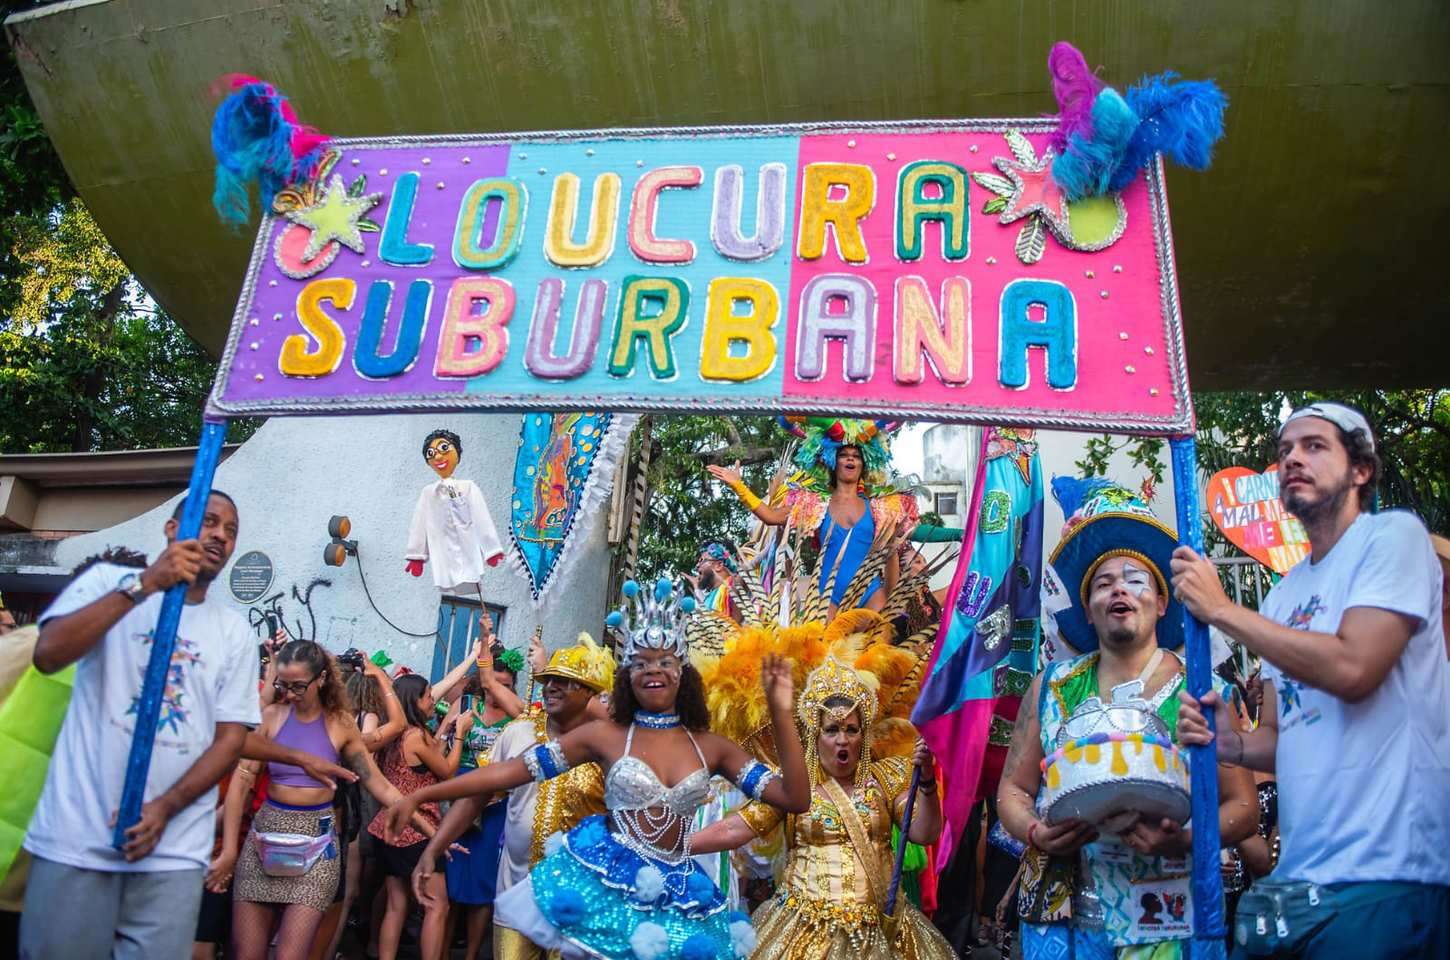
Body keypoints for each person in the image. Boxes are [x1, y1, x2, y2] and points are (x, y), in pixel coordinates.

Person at [386, 578, 812, 960]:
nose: (653, 671)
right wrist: (422, 795)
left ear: (683, 674)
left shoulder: (712, 748)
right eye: (641, 663)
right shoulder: (607, 737)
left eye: (665, 661)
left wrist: (781, 712)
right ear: (627, 676)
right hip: (609, 886)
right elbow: (509, 772)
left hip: (679, 895)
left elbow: (794, 798)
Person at [1173, 402, 1450, 957]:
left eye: (1314, 445)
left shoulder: (1393, 539)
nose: (1292, 458)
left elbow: (1354, 669)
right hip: (1300, 880)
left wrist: (1222, 609)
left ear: (1361, 469)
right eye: (1284, 452)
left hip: (1388, 871)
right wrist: (1233, 744)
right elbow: (1283, 733)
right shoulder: (1282, 594)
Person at [997, 479, 1256, 959]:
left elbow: (1243, 807)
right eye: (1103, 582)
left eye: (1136, 579)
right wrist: (1036, 831)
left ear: (1161, 604)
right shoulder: (1051, 687)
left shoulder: (1204, 693)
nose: (1119, 587)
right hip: (1063, 925)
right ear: (1089, 612)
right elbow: (1013, 791)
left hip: (1168, 922)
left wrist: (1182, 838)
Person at [18, 491, 259, 960]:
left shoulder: (234, 631)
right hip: (77, 835)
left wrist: (166, 807)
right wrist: (145, 585)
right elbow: (48, 655)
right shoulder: (109, 582)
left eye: (230, 531)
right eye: (208, 522)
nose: (219, 536)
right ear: (172, 529)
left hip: (173, 849)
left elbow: (232, 739)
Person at [693, 656, 957, 960]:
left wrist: (925, 782)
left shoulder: (886, 778)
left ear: (863, 735)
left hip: (883, 932)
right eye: (832, 729)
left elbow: (925, 832)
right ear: (816, 736)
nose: (842, 740)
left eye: (852, 730)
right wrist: (673, 846)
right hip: (804, 933)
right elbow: (733, 829)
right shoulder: (793, 788)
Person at [220, 640, 429, 960]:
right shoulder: (271, 717)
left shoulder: (341, 724)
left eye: (299, 686)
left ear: (321, 679)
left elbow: (380, 786)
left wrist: (432, 832)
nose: (289, 693)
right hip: (265, 839)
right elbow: (242, 782)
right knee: (246, 954)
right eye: (282, 684)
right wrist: (230, 851)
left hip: (316, 846)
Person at [415, 633, 612, 960]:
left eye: (564, 682)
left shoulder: (608, 746)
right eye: (548, 680)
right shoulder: (519, 731)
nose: (550, 687)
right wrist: (433, 847)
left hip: (580, 903)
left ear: (592, 693)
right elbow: (476, 795)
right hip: (517, 895)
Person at [709, 418, 926, 616]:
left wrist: (891, 603)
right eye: (843, 455)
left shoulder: (882, 507)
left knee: (876, 655)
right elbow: (771, 517)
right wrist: (739, 486)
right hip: (827, 597)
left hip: (871, 596)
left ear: (864, 463)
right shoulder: (812, 504)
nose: (850, 458)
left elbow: (891, 555)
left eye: (856, 456)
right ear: (832, 460)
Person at [368, 670, 470, 960]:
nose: (431, 700)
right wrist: (460, 733)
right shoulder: (415, 736)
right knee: (437, 906)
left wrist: (443, 730)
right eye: (427, 696)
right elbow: (447, 772)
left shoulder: (393, 732)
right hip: (416, 832)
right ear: (415, 701)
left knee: (395, 906)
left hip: (385, 829)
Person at [443, 630, 526, 960]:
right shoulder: (465, 705)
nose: (499, 691)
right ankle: (443, 950)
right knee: (450, 886)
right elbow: (440, 746)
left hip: (495, 807)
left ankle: (472, 954)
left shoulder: (517, 718)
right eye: (496, 683)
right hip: (461, 797)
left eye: (507, 686)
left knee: (482, 887)